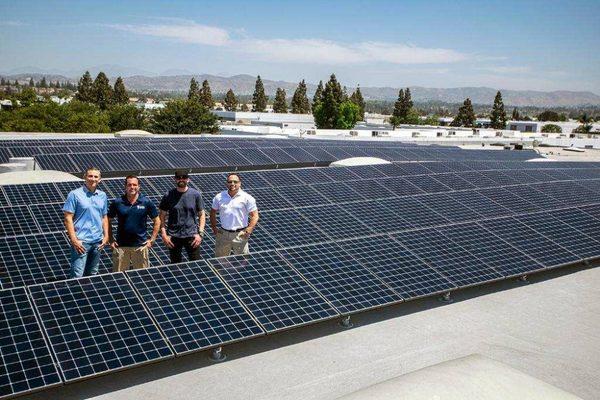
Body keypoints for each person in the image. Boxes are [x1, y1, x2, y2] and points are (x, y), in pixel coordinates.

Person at [63, 167, 109, 278]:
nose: (93, 179)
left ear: (100, 179)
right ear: (85, 177)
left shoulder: (102, 195)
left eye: (96, 177)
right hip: (81, 242)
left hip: (97, 242)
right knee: (77, 275)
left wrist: (106, 236)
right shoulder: (74, 194)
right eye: (90, 176)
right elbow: (68, 218)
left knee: (93, 274)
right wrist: (74, 240)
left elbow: (104, 217)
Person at [108, 175, 160, 272]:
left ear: (139, 186)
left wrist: (152, 239)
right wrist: (110, 240)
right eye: (129, 185)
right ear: (125, 187)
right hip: (121, 247)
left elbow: (157, 220)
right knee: (120, 277)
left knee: (142, 277)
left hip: (140, 246)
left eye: (134, 185)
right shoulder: (117, 202)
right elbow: (107, 220)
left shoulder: (146, 202)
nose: (132, 187)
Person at [159, 170, 206, 263]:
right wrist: (164, 234)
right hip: (173, 237)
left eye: (184, 178)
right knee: (175, 266)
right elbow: (162, 216)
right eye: (178, 178)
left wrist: (200, 234)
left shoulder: (195, 194)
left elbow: (202, 214)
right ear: (174, 179)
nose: (181, 180)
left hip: (192, 236)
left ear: (188, 179)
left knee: (196, 265)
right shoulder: (168, 195)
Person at [210, 173, 259, 257]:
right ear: (227, 183)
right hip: (223, 234)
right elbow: (212, 212)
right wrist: (214, 227)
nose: (232, 184)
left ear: (240, 183)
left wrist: (249, 229)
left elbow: (255, 215)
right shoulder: (219, 197)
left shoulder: (247, 198)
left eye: (235, 181)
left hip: (240, 234)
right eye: (230, 182)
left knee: (243, 259)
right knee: (220, 259)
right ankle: (222, 270)